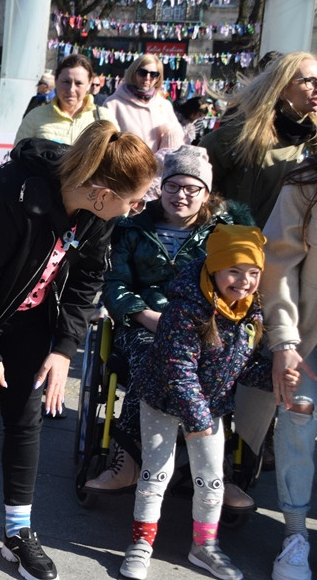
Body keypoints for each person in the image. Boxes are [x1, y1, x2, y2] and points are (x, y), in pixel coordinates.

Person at [0, 121, 157, 580]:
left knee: (25, 420)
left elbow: (89, 279)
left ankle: (18, 531)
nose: (138, 208)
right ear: (100, 191)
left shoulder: (97, 216)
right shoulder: (12, 190)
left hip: (31, 317)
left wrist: (65, 348)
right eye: (134, 199)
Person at [85, 146, 256, 514]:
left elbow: (237, 285)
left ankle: (216, 473)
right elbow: (114, 282)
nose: (181, 195)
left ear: (206, 194)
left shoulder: (223, 234)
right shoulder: (132, 228)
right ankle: (127, 460)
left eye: (192, 189)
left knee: (221, 369)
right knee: (153, 355)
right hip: (145, 323)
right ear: (160, 187)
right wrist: (145, 314)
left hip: (205, 327)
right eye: (173, 186)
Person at [119, 225, 270, 580]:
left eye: (253, 273)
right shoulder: (185, 309)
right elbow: (178, 369)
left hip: (209, 406)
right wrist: (199, 419)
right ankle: (141, 543)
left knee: (211, 478)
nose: (243, 281)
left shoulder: (249, 313)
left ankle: (204, 546)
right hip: (162, 398)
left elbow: (240, 367)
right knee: (157, 472)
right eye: (233, 270)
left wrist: (275, 378)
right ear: (214, 268)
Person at [261, 155, 317, 580]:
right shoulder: (305, 181)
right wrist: (284, 340)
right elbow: (278, 265)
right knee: (298, 413)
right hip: (307, 334)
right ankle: (295, 535)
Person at [200, 51, 317, 228]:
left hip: (295, 249)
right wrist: (223, 217)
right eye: (311, 81)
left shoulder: (313, 139)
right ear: (283, 89)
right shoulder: (240, 136)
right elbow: (196, 180)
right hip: (242, 244)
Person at [15, 54, 118, 145]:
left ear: (89, 84)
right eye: (66, 82)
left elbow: (116, 160)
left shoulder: (104, 118)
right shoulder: (35, 117)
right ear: (56, 81)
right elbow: (17, 160)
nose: (71, 89)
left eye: (79, 83)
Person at [105, 54, 184, 153]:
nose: (147, 78)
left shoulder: (164, 105)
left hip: (160, 166)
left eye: (153, 74)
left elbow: (180, 140)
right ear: (133, 73)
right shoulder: (113, 104)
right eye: (142, 73)